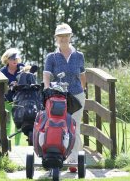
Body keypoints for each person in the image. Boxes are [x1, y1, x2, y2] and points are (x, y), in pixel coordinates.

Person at [43, 23, 86, 173]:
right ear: (56, 38)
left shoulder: (79, 55)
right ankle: (55, 159)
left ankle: (73, 160)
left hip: (76, 95)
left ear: (70, 37)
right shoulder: (52, 56)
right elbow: (47, 75)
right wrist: (47, 89)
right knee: (56, 125)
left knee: (75, 127)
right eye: (60, 36)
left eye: (66, 35)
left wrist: (83, 90)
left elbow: (82, 75)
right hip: (58, 97)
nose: (63, 38)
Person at [0, 48, 24, 145]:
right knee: (7, 122)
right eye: (12, 58)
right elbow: (0, 87)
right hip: (7, 101)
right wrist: (10, 86)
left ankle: (17, 145)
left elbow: (28, 80)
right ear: (7, 59)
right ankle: (6, 143)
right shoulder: (3, 71)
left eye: (16, 58)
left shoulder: (22, 68)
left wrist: (19, 84)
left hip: (20, 101)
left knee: (19, 124)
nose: (14, 60)